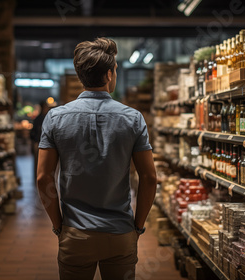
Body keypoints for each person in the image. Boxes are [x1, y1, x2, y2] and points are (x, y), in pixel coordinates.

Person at [36, 37, 157, 280]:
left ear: (80, 76)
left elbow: (43, 178)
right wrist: (138, 226)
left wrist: (59, 226)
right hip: (120, 232)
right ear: (110, 74)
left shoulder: (55, 118)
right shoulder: (133, 119)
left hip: (75, 232)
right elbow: (149, 177)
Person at [30, 100, 50, 180]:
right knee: (38, 162)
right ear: (43, 107)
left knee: (45, 162)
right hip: (38, 143)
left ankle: (43, 177)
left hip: (45, 143)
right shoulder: (39, 119)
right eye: (46, 107)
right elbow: (32, 133)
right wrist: (35, 141)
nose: (47, 108)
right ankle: (38, 177)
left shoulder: (47, 117)